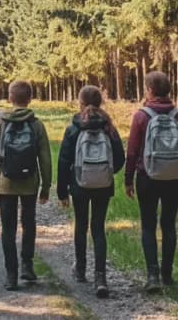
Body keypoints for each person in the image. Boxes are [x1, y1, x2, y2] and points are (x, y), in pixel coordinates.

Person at [125, 71, 178, 292]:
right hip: (175, 177)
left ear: (149, 90)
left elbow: (133, 151)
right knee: (169, 224)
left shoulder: (141, 116)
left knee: (148, 225)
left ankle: (152, 275)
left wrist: (128, 179)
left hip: (147, 176)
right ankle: (167, 274)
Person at [57, 85, 125, 298]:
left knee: (81, 225)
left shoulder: (74, 128)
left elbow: (64, 160)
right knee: (98, 228)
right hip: (103, 186)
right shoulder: (109, 128)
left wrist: (62, 190)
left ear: (80, 102)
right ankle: (101, 277)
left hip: (79, 184)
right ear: (100, 101)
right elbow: (120, 158)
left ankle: (80, 270)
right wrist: (106, 173)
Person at [0, 80, 52, 290]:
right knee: (29, 224)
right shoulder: (36, 124)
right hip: (30, 183)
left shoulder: (1, 123)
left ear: (10, 98)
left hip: (6, 184)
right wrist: (46, 186)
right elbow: (45, 158)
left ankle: (11, 275)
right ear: (30, 99)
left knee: (8, 228)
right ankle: (27, 266)